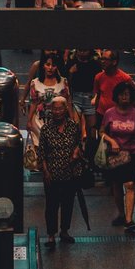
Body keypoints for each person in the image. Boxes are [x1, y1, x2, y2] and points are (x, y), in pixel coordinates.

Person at [101, 80, 135, 232]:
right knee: (116, 185)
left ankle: (129, 219)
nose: (124, 97)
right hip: (115, 155)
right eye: (122, 95)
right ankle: (121, 214)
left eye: (127, 95)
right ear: (117, 96)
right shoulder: (109, 113)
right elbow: (102, 132)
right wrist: (111, 141)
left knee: (129, 184)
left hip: (132, 153)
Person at [37, 95, 83, 248]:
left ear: (65, 110)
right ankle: (51, 235)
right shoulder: (46, 129)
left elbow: (79, 144)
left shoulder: (73, 126)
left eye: (60, 108)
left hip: (70, 172)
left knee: (68, 203)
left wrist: (77, 151)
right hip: (52, 173)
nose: (57, 112)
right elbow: (42, 152)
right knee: (51, 205)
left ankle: (64, 231)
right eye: (54, 109)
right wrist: (45, 171)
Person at [27, 53, 72, 147]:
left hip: (59, 125)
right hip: (39, 123)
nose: (50, 68)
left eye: (53, 65)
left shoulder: (63, 82)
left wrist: (71, 120)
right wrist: (29, 121)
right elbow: (34, 103)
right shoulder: (35, 83)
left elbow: (68, 102)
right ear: (43, 65)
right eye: (47, 64)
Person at [93, 50, 134, 129]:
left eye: (105, 59)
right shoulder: (98, 77)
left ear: (114, 62)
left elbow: (132, 99)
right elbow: (98, 96)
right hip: (101, 115)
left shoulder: (125, 78)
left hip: (119, 116)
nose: (102, 62)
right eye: (101, 59)